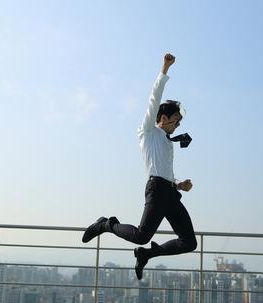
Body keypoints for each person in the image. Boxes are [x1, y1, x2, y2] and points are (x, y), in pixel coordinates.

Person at [82, 53, 197, 280]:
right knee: (142, 234)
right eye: (174, 118)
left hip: (170, 193)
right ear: (161, 117)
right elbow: (154, 99)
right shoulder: (148, 132)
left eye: (179, 121)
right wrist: (164, 69)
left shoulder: (167, 143)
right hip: (156, 189)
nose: (177, 124)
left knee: (189, 242)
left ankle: (146, 254)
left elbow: (165, 170)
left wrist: (179, 183)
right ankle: (106, 225)